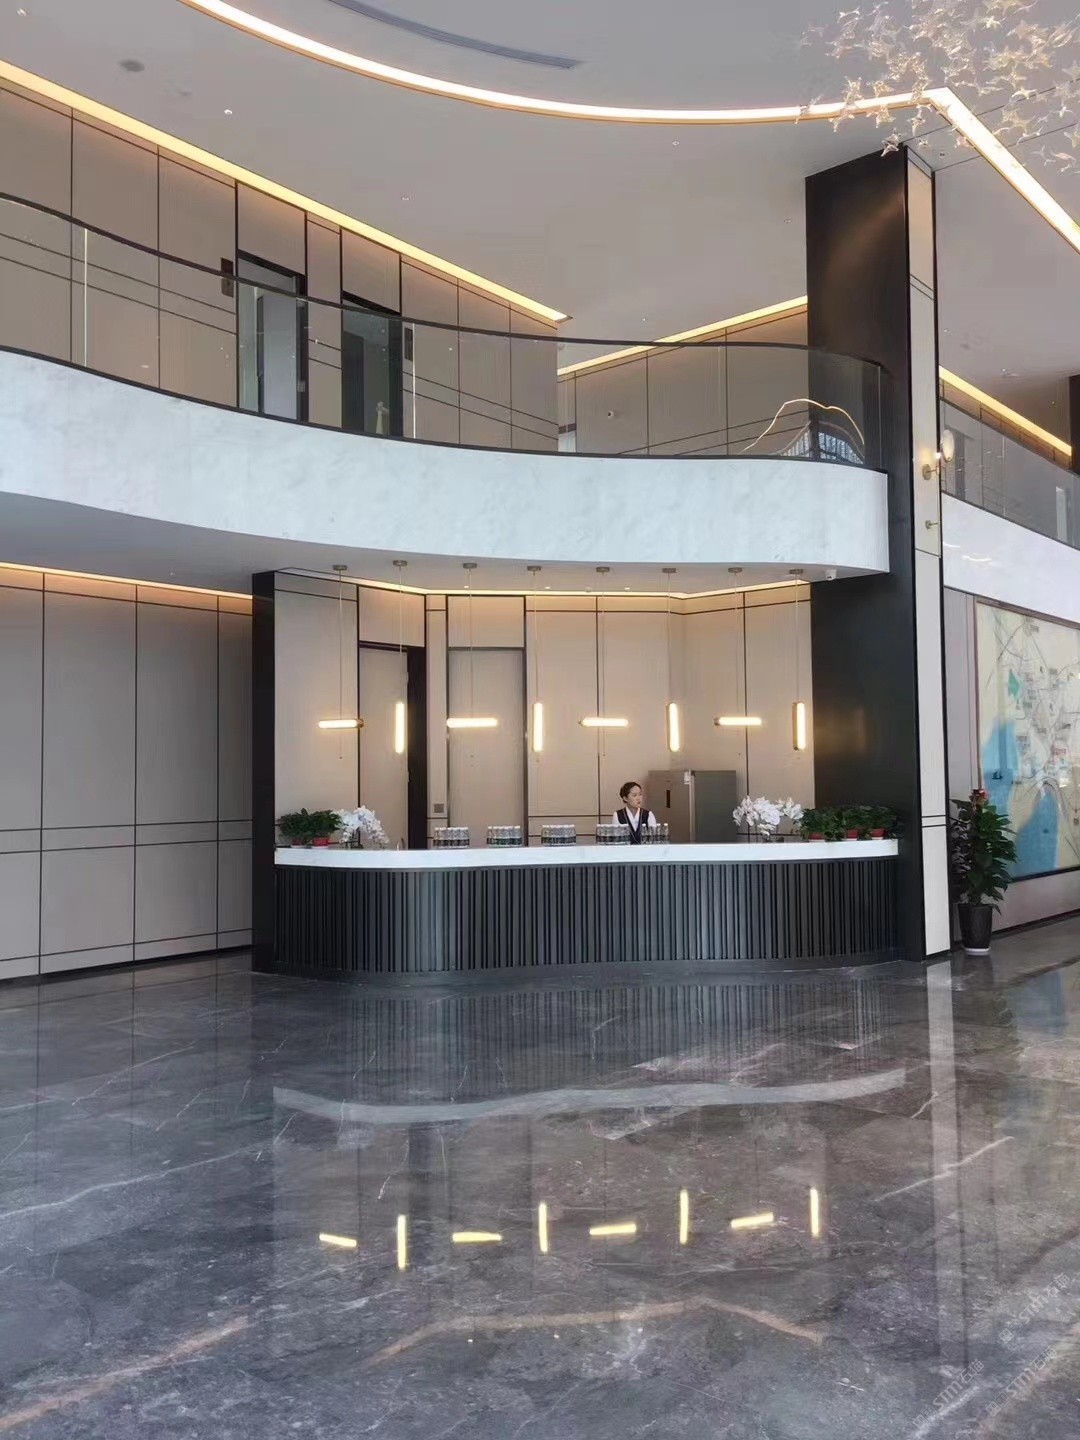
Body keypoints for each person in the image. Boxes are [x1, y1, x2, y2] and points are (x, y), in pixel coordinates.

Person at [613, 781, 658, 845]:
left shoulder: (648, 815)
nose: (638, 798)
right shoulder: (618, 815)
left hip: (645, 850)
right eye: (634, 795)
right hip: (624, 850)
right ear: (625, 798)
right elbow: (616, 839)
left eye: (640, 794)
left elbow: (654, 839)